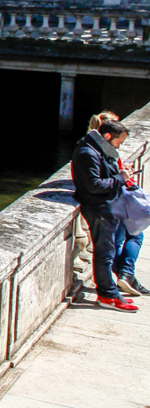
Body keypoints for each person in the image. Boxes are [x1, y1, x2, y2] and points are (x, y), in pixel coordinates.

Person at [73, 114, 138, 310]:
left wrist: (120, 173)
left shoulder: (98, 149)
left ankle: (111, 292)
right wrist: (120, 178)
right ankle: (108, 296)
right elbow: (94, 185)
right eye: (119, 142)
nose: (119, 146)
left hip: (107, 208)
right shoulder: (88, 152)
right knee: (104, 254)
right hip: (100, 209)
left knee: (107, 252)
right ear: (108, 137)